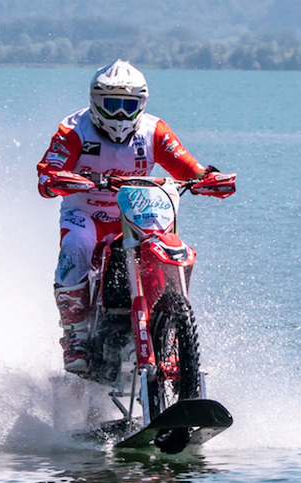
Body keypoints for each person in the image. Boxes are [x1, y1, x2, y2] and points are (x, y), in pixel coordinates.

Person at [37, 59, 233, 374]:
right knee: (76, 247)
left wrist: (207, 178)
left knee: (172, 248)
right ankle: (75, 336)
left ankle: (169, 322)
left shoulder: (154, 130)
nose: (119, 114)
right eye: (111, 104)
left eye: (128, 105)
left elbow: (186, 166)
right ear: (94, 101)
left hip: (138, 213)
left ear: (141, 104)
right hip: (85, 214)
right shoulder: (73, 129)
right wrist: (54, 179)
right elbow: (49, 170)